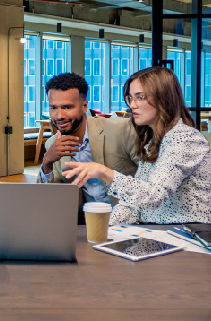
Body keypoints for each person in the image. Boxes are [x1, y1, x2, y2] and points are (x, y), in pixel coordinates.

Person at [61, 67, 211, 224]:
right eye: (130, 98)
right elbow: (135, 205)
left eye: (140, 98)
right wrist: (102, 227)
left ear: (164, 99)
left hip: (189, 236)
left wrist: (104, 172)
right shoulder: (152, 142)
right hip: (158, 234)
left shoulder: (185, 138)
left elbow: (154, 196)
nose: (132, 105)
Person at [37, 73, 140, 219]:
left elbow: (152, 182)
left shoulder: (121, 129)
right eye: (53, 107)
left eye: (67, 107)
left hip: (133, 220)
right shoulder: (52, 145)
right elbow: (47, 200)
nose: (59, 115)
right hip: (88, 224)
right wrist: (47, 162)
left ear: (84, 106)